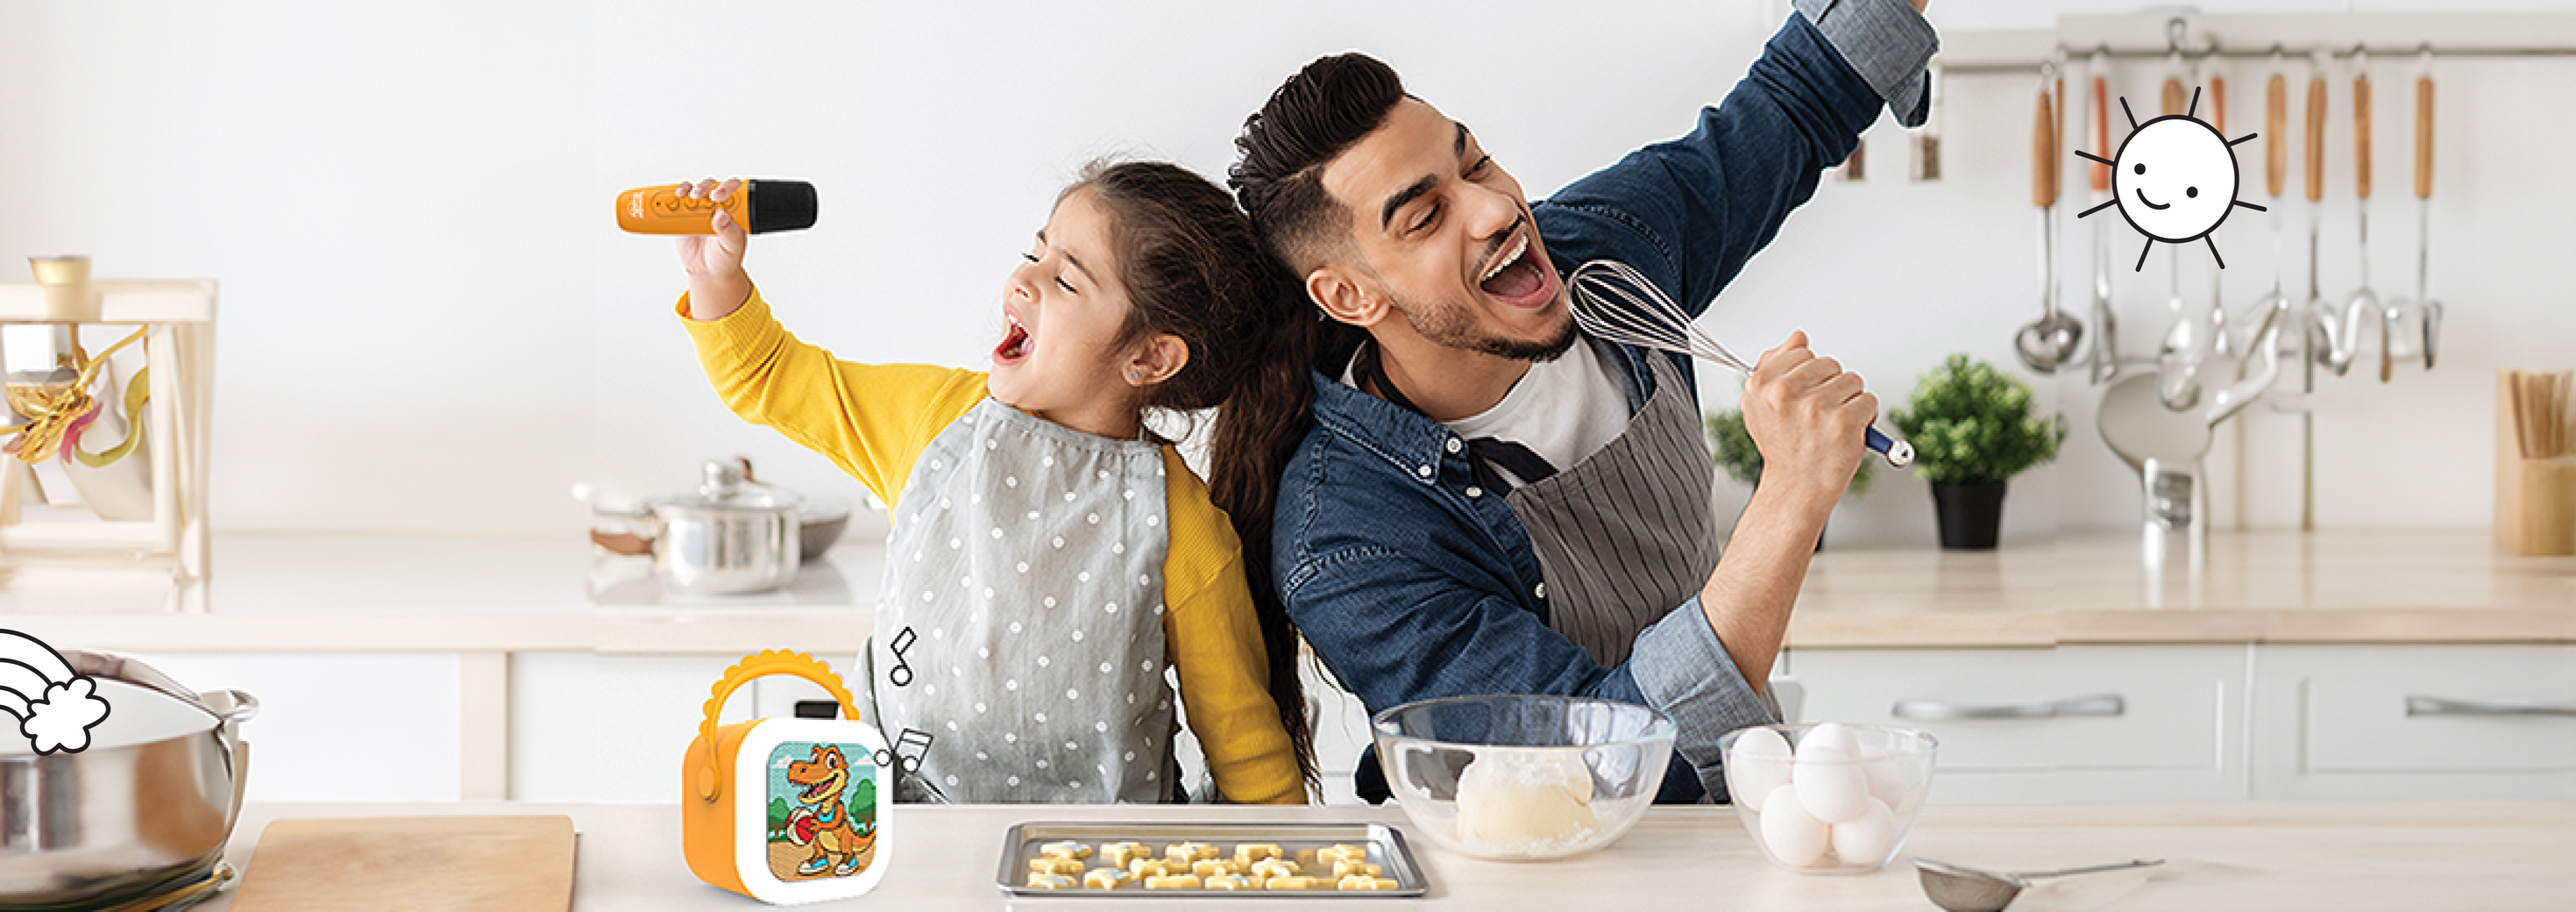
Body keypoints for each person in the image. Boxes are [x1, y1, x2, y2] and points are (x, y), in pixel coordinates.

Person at [1207, 0, 1939, 804]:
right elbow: (1595, 762)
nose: (1496, 208)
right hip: (1531, 868)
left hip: (1743, 811)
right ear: (1348, 295)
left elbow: (1792, 106)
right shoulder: (1349, 539)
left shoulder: (1607, 256)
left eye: (1476, 162)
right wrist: (1792, 497)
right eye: (1426, 217)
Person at [663, 162, 1313, 803]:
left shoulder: (1185, 531)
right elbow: (769, 375)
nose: (1023, 279)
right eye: (1034, 251)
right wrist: (714, 277)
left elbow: (1250, 760)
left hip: (1101, 873)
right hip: (901, 846)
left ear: (1149, 358)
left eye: (1065, 279)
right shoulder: (936, 423)